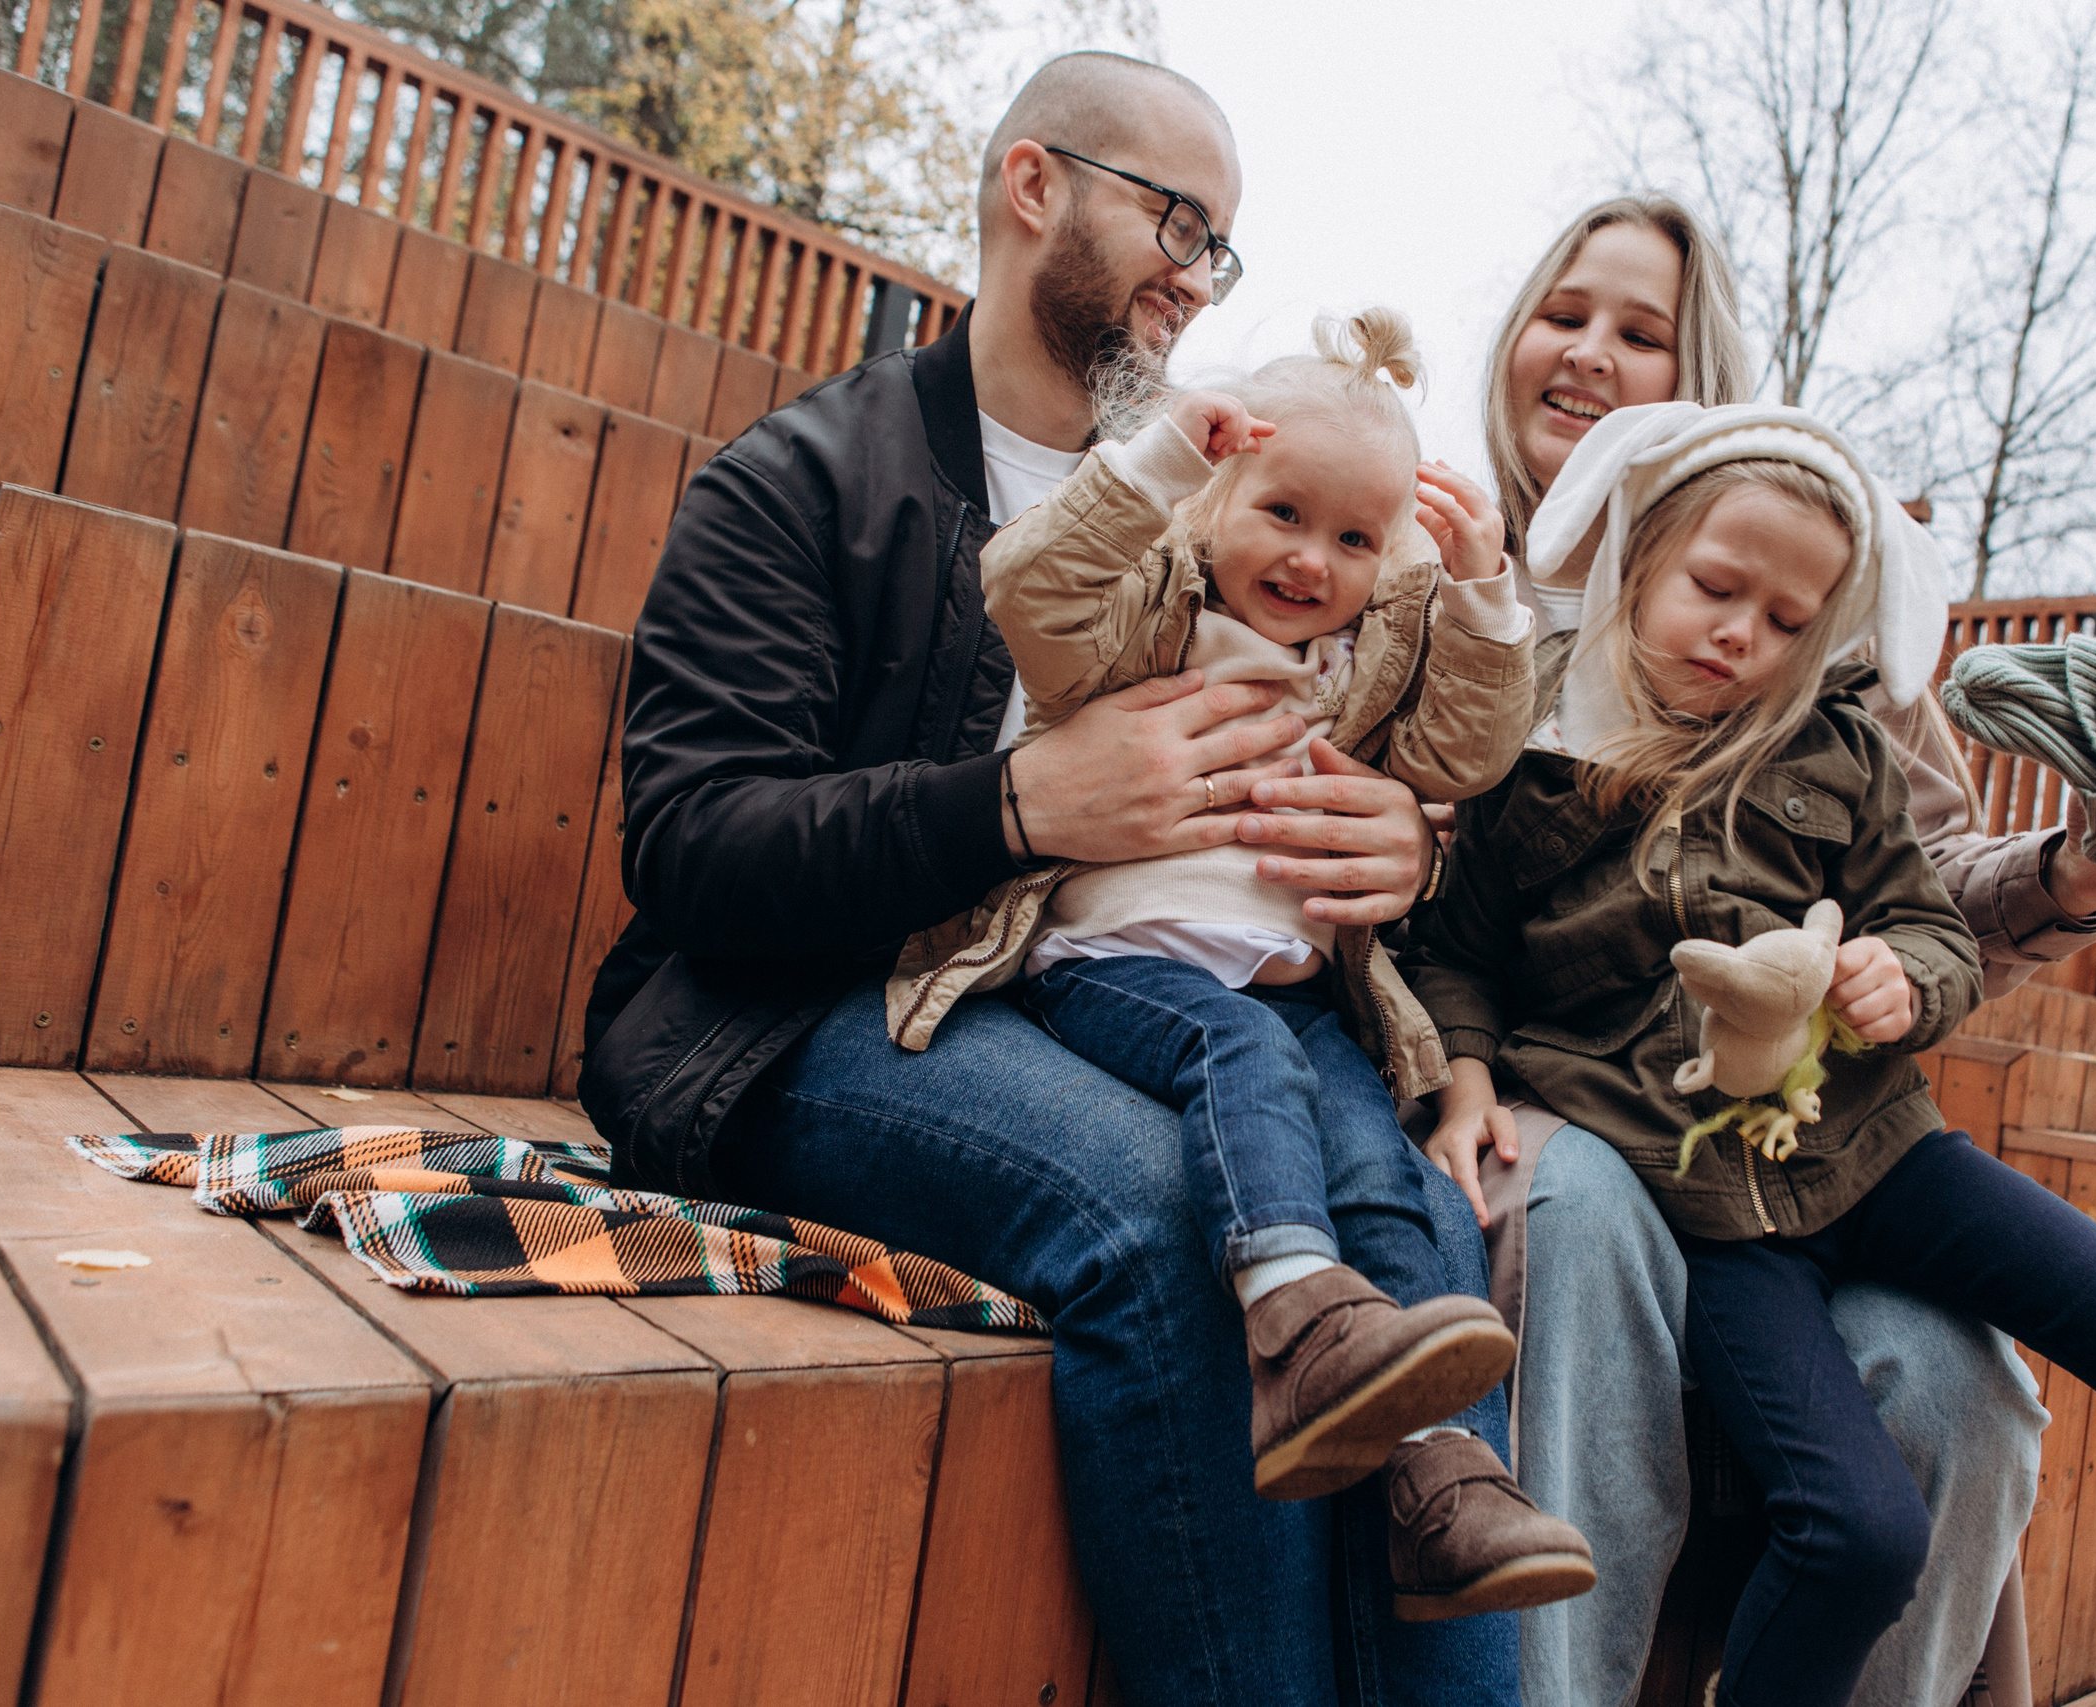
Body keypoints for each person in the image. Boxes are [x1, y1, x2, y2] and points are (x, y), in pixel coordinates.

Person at [583, 52, 1520, 1704]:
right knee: (1167, 1214)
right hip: (811, 1008)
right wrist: (1017, 805)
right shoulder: (806, 480)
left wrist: (1403, 846)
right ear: (1035, 187)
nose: (1200, 275)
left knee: (1409, 1225)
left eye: (1220, 247)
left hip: (1122, 997)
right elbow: (693, 844)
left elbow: (1371, 740)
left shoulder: (1234, 497)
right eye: (1178, 221)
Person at [1412, 399, 2096, 1707]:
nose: (1743, 634)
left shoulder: (1829, 757)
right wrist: (1473, 1074)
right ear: (1641, 562)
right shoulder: (1540, 760)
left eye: (1788, 623)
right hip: (1711, 1212)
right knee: (1858, 1534)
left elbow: (1925, 923)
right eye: (1716, 590)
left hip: (1881, 1155)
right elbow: (1460, 951)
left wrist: (1906, 978)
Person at [1447, 194, 2096, 1707]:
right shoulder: (1443, 570)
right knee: (1581, 1215)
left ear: (1704, 388)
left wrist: (2068, 877)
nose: (1591, 354)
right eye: (1565, 312)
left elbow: (1923, 887)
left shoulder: (1818, 627)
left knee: (1964, 1393)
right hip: (1571, 1112)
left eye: (1642, 331)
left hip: (1789, 1149)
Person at [887, 308, 1597, 1615]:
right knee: (1242, 1057)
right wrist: (1158, 460)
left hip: (1292, 985)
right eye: (1281, 510)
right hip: (1119, 959)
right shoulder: (1148, 610)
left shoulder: (1361, 662)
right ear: (1217, 493)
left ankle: (1444, 1480)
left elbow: (1467, 755)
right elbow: (1028, 586)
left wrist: (1489, 592)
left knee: (1385, 1172)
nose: (1309, 557)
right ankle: (1294, 1323)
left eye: (1353, 538)